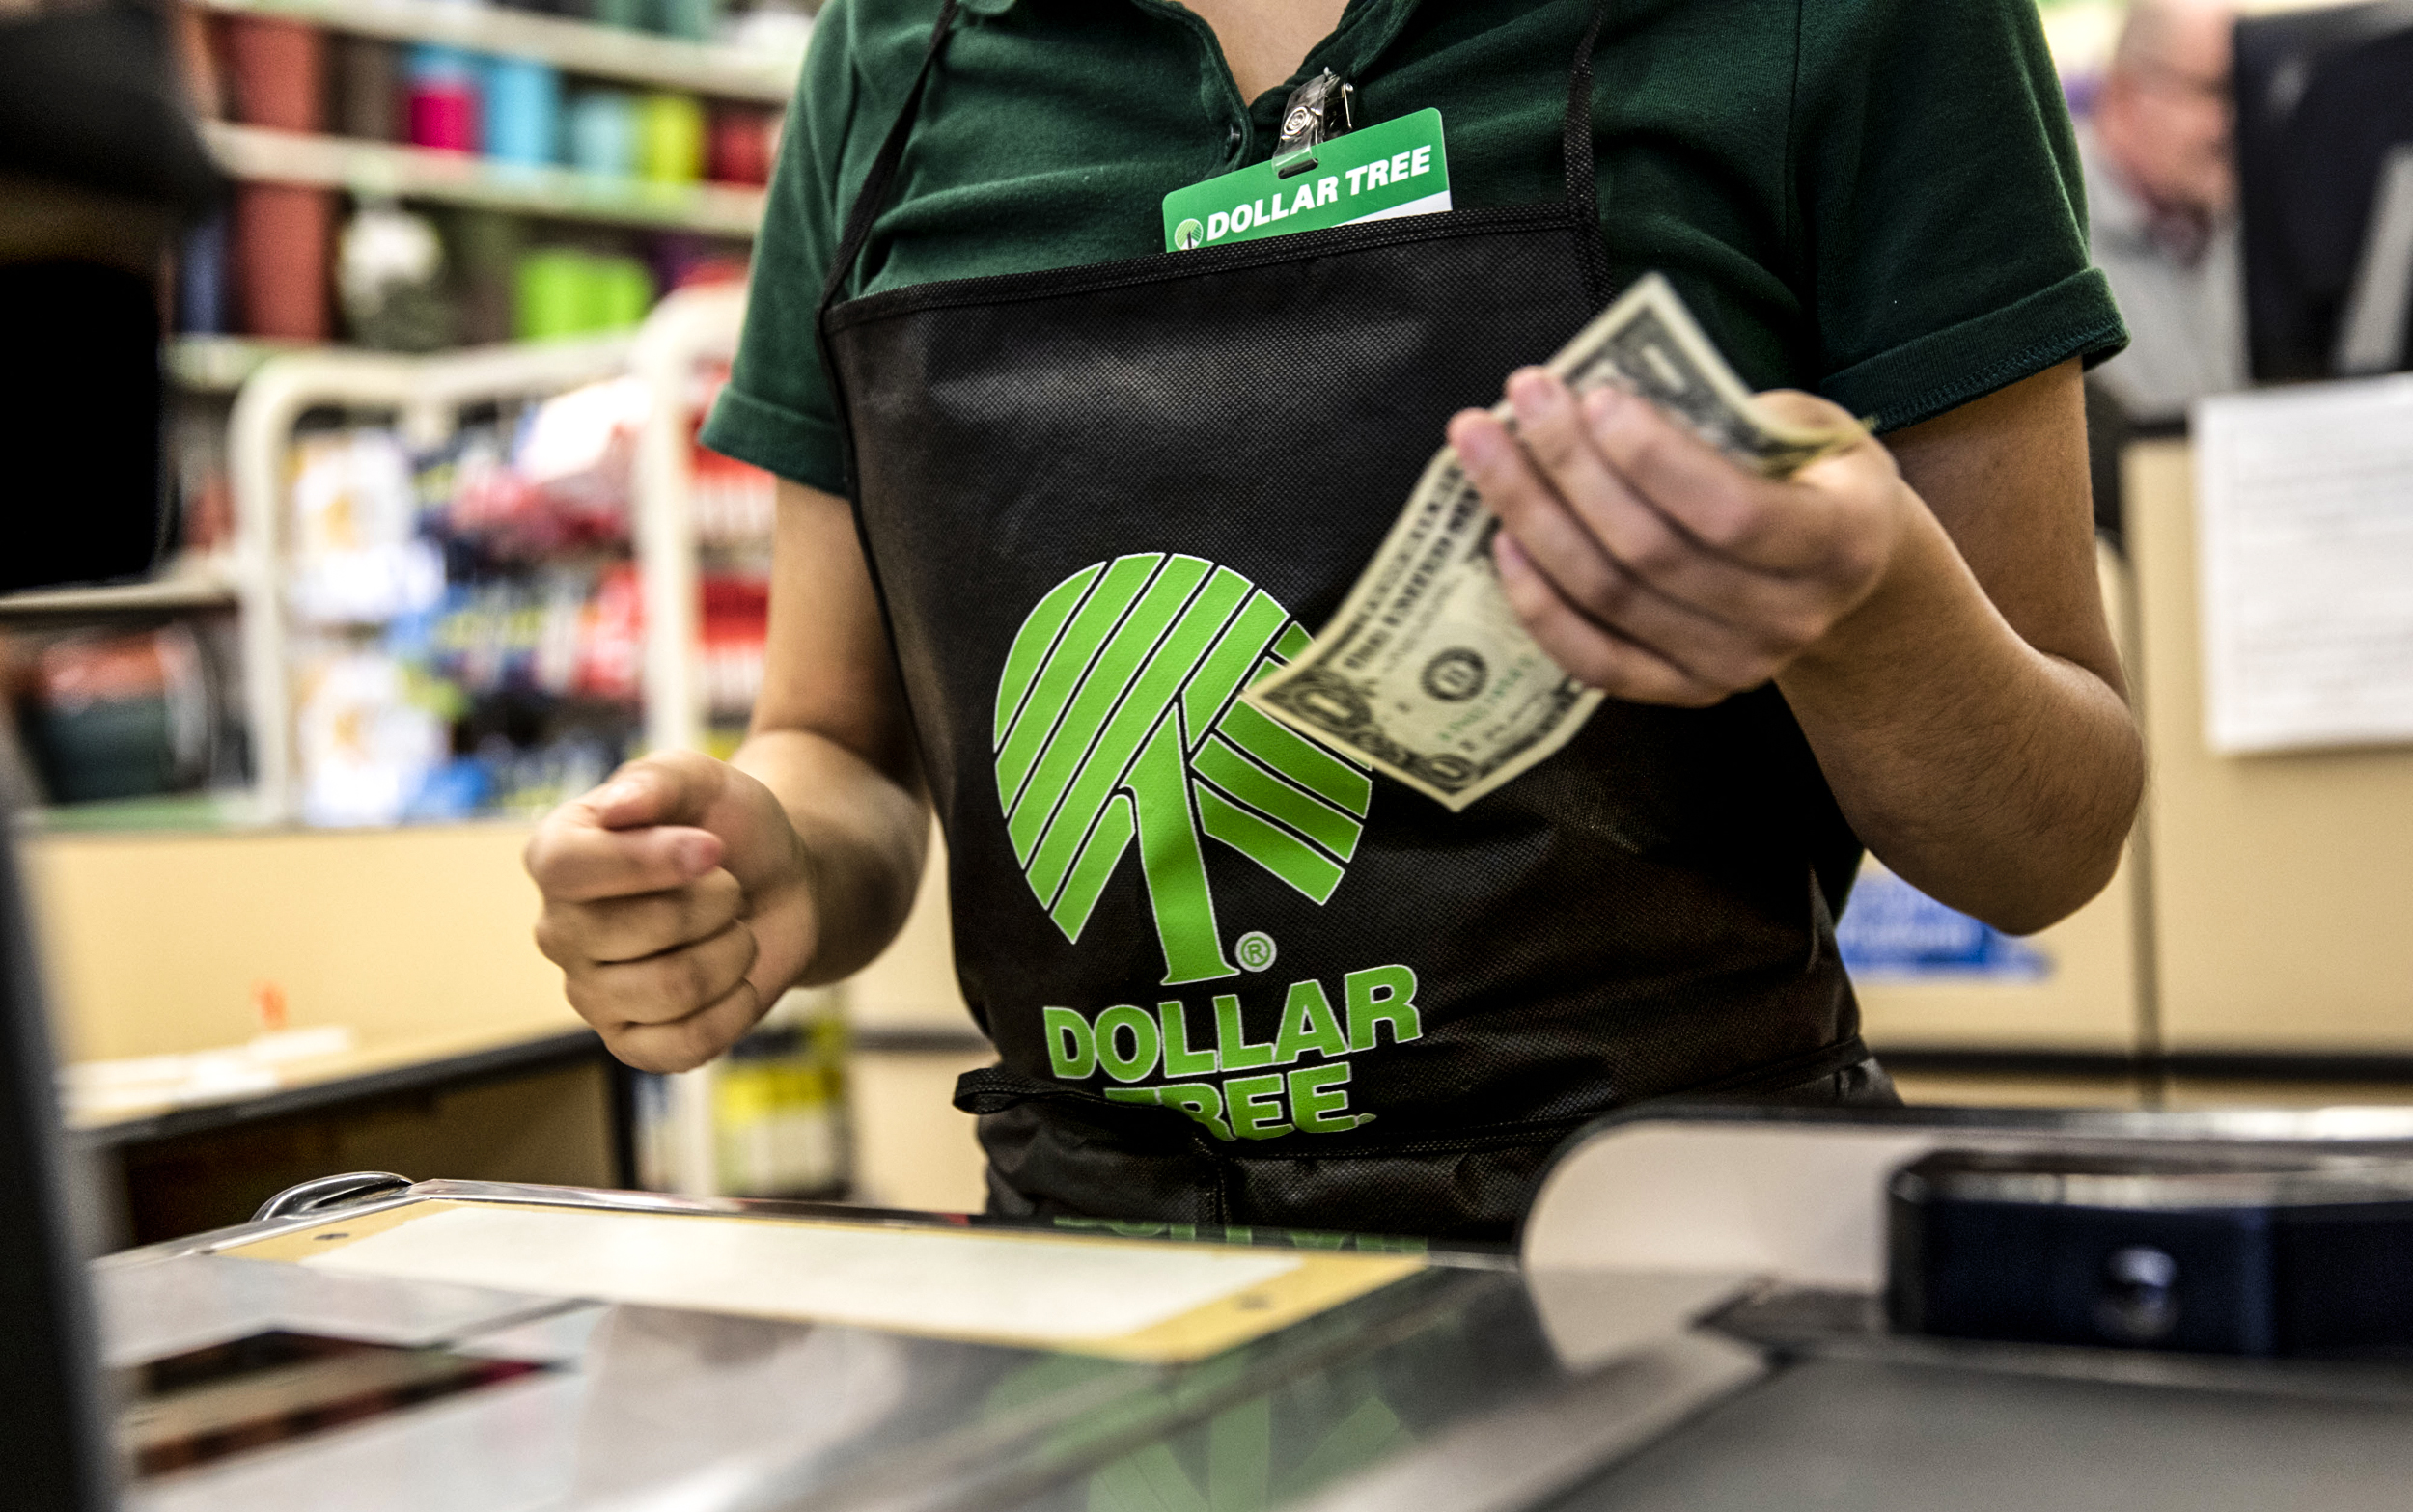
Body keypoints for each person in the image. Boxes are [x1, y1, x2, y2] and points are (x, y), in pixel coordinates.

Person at [528, 0, 2144, 1240]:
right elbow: (838, 750)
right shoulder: (896, 57)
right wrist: (757, 867)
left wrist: (1866, 610)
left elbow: (2048, 839)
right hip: (1104, 1309)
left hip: (1677, 1280)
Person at [2081, 0, 2247, 426]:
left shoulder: (2244, 222)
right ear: (2122, 95)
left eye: (2243, 92)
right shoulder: (2056, 238)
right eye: (2210, 90)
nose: (2228, 124)